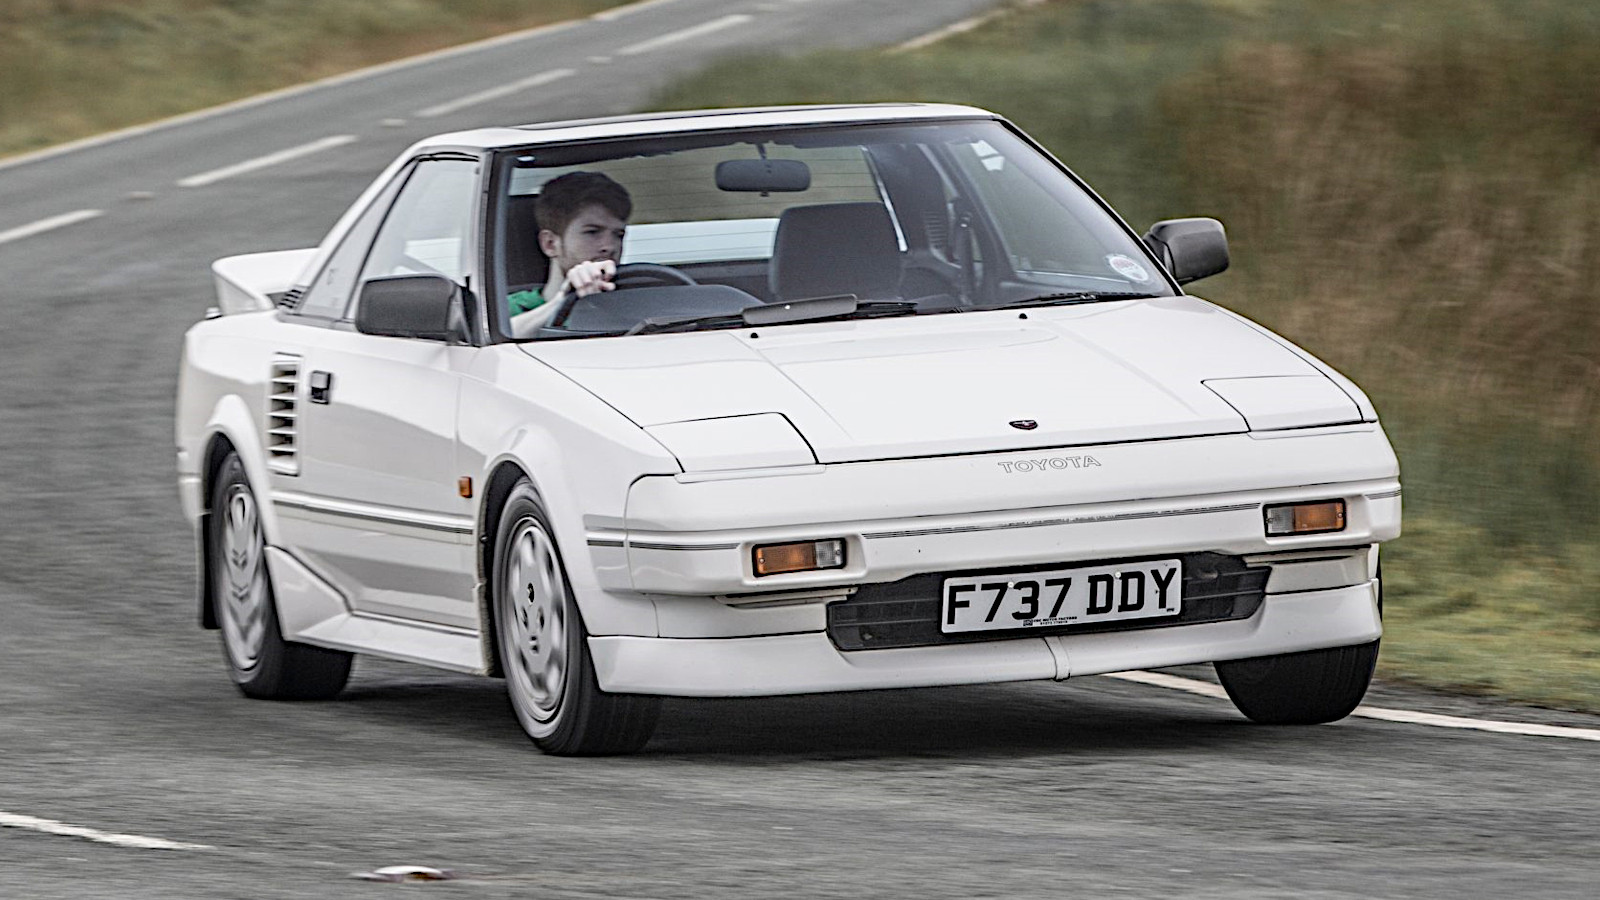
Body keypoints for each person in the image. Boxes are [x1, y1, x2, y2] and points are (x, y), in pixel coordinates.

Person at [508, 171, 631, 337]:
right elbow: (498, 339)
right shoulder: (507, 309)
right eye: (592, 232)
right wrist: (563, 301)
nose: (610, 246)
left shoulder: (635, 302)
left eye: (618, 235)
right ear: (550, 244)